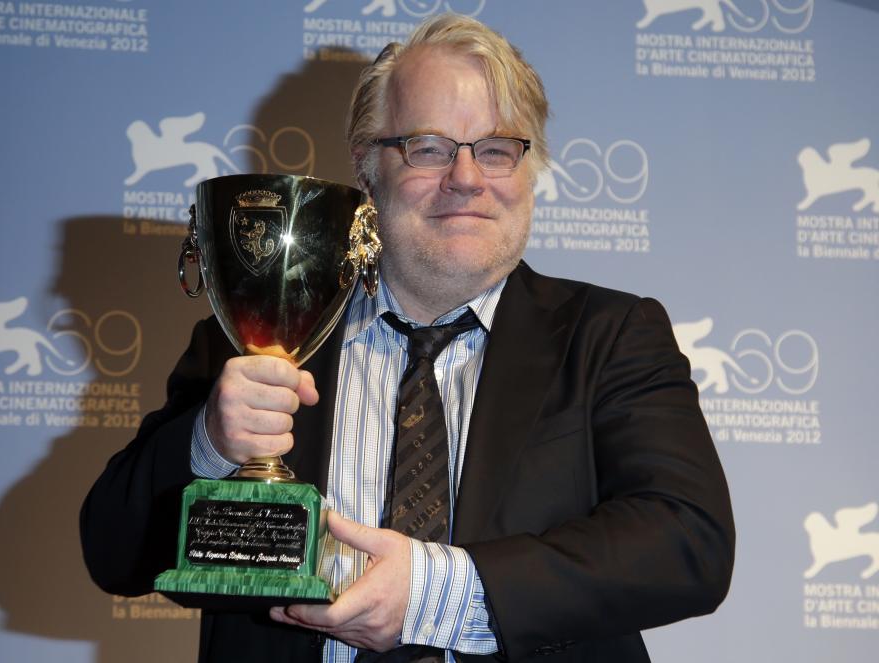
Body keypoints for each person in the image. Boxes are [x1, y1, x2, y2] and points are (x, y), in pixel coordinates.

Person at [80, 13, 735, 663]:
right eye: (428, 147)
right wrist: (211, 445)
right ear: (368, 169)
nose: (468, 177)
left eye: (498, 148)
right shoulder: (256, 339)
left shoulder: (611, 336)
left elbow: (688, 541)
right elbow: (113, 551)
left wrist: (435, 593)